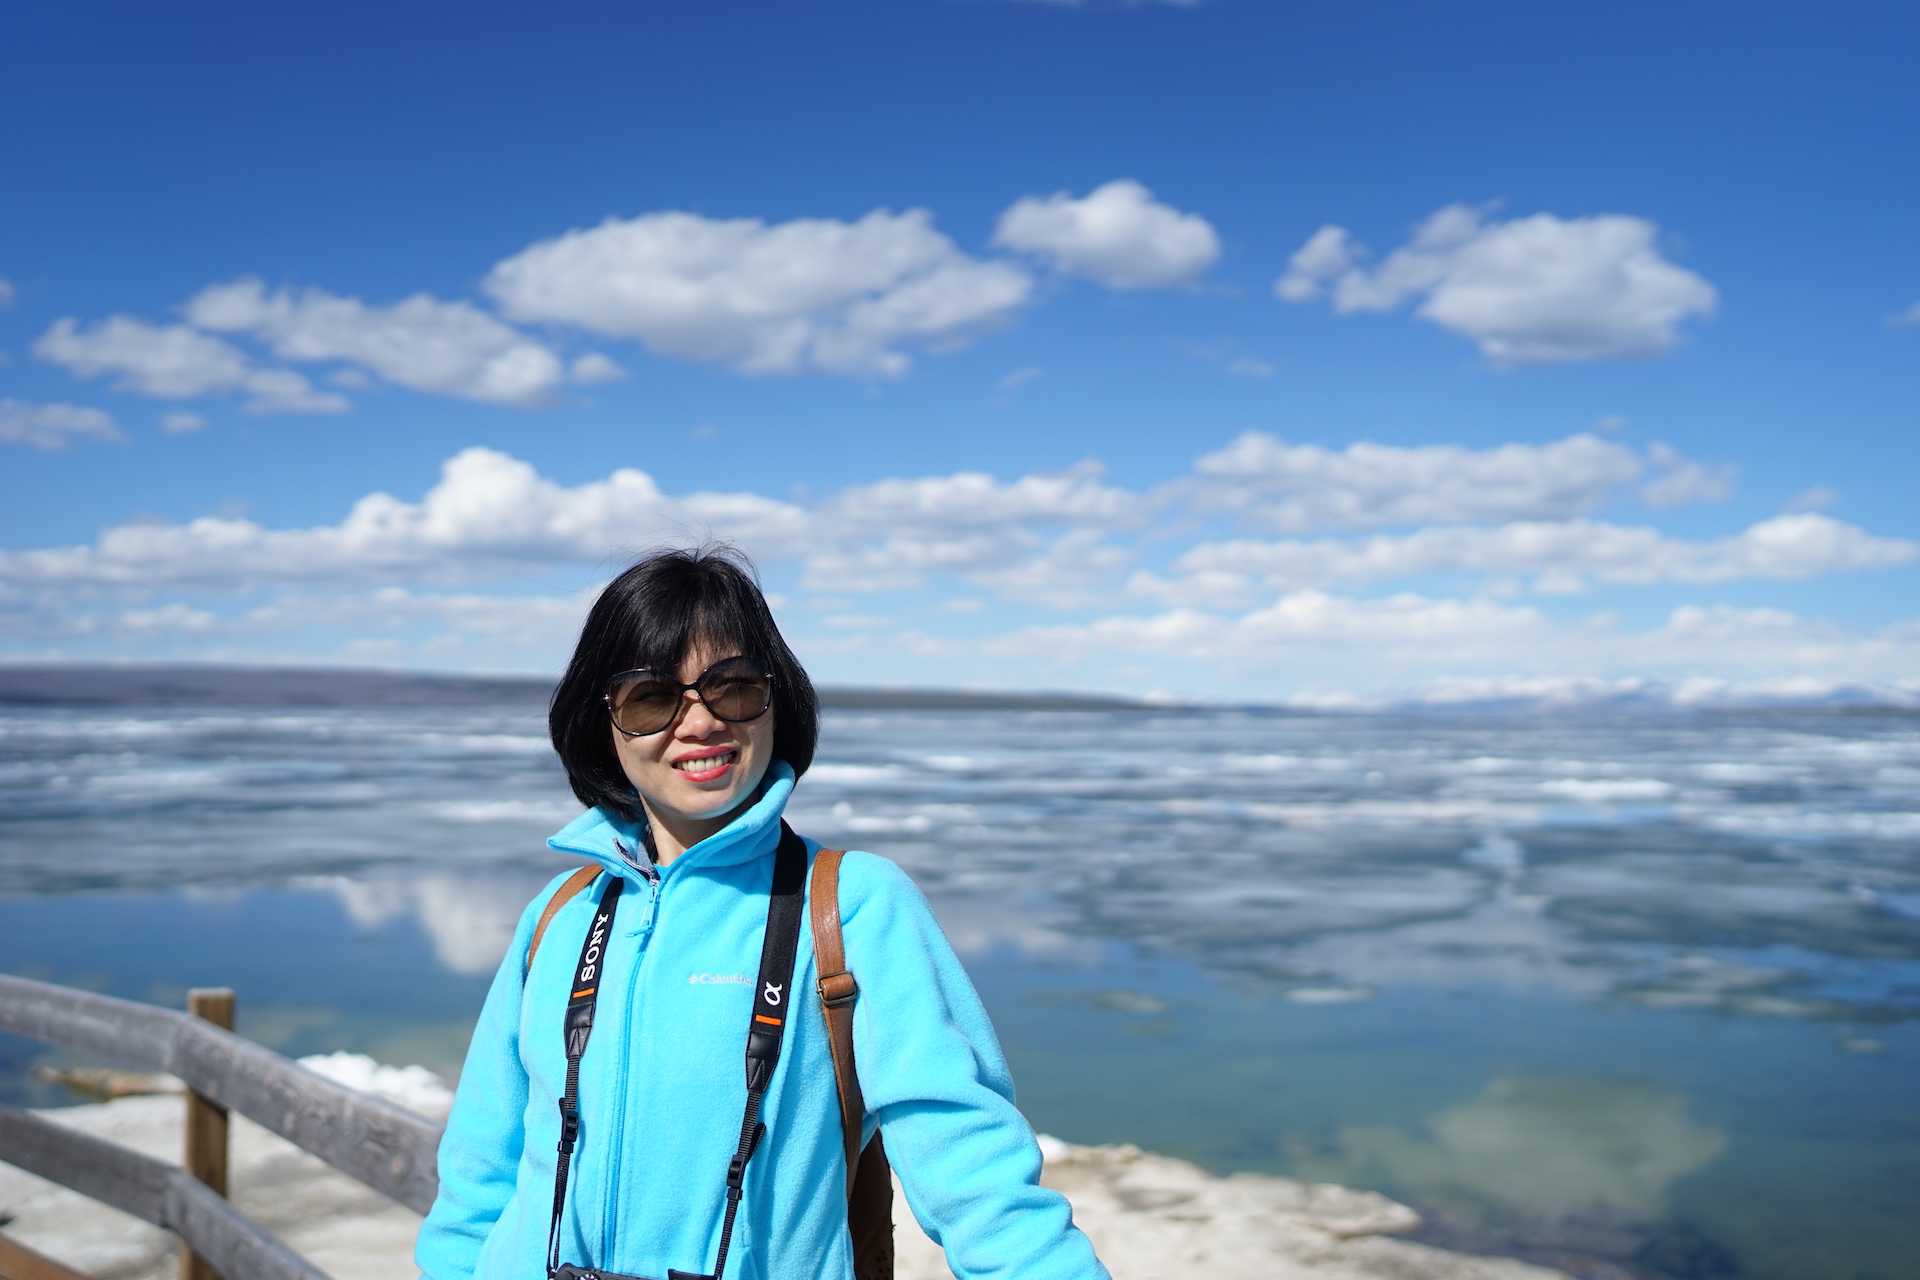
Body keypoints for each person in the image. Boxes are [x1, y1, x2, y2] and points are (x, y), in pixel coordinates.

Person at [416, 547, 1109, 1280]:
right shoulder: (558, 918)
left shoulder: (852, 906)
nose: (699, 723)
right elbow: (477, 1180)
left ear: (777, 702)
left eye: (733, 687)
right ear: (605, 725)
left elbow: (976, 1177)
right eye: (651, 697)